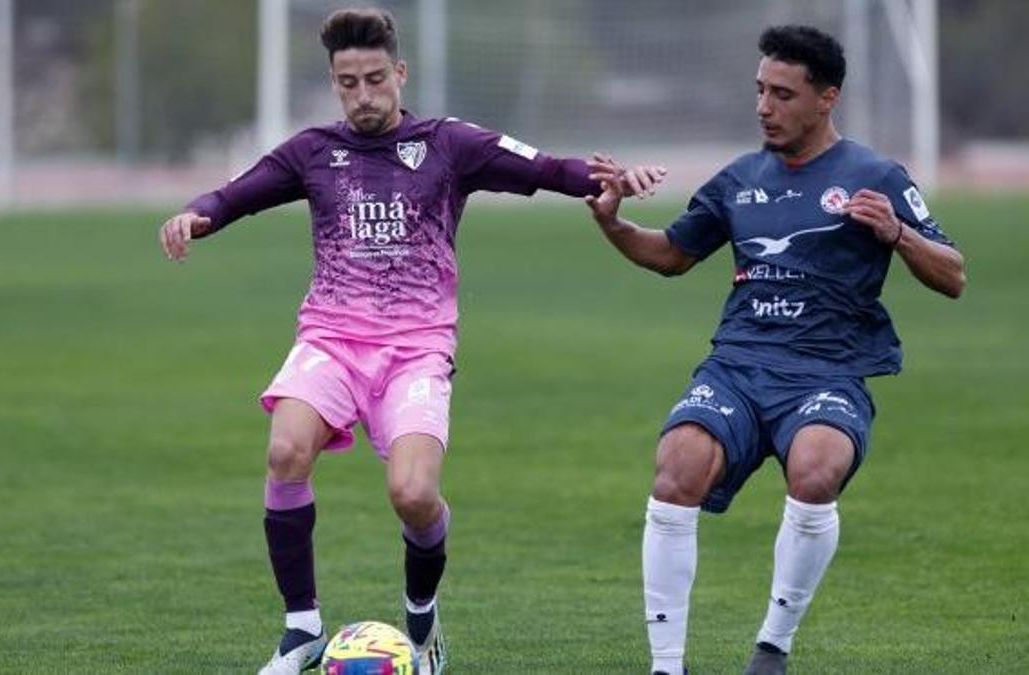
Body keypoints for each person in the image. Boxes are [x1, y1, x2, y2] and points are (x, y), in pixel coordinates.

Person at [159, 8, 663, 675]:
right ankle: (301, 626)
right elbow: (237, 193)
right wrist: (197, 214)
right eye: (348, 83)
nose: (363, 95)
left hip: (416, 349)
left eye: (374, 78)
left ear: (399, 73)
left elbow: (539, 166)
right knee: (284, 449)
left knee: (414, 495)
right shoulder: (314, 151)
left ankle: (421, 616)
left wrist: (607, 179)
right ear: (335, 83)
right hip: (332, 338)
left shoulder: (448, 145)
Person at [585, 24, 965, 675]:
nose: (764, 107)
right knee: (675, 465)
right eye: (760, 90)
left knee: (816, 469)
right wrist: (613, 223)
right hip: (737, 366)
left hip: (828, 372)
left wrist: (899, 233)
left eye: (783, 94)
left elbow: (953, 274)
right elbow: (672, 255)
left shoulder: (876, 176)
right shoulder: (739, 180)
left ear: (827, 99)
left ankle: (772, 646)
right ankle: (665, 666)